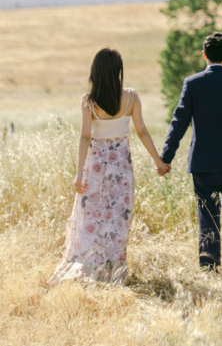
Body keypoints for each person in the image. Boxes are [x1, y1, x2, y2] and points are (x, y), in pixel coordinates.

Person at [49, 47, 169, 285]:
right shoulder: (132, 97)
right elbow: (142, 131)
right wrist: (159, 161)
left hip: (94, 168)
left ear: (96, 72)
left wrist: (79, 174)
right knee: (117, 219)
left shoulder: (89, 101)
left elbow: (85, 137)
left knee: (90, 219)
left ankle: (86, 267)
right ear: (118, 71)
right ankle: (112, 272)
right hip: (120, 169)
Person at [160, 31, 222, 275]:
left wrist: (166, 157)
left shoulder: (193, 83)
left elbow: (179, 122)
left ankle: (210, 270)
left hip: (203, 162)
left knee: (208, 218)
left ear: (204, 54)